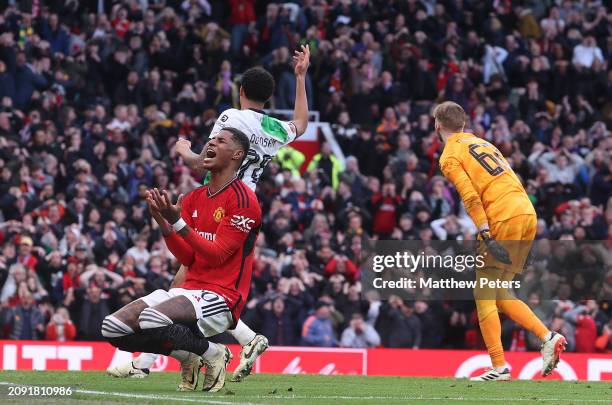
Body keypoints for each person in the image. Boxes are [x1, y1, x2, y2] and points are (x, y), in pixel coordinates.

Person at [119, 45, 311, 384]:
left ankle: (152, 361)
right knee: (199, 284)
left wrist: (182, 149)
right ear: (267, 98)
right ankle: (245, 341)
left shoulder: (230, 118)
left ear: (240, 92)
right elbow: (301, 123)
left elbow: (202, 162)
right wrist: (300, 78)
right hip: (246, 207)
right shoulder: (273, 128)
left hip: (220, 204)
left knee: (190, 281)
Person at [102, 127, 261, 392]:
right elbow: (189, 256)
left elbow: (217, 253)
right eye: (210, 139)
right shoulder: (194, 197)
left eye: (220, 141)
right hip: (189, 291)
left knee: (152, 319)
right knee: (113, 328)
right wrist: (163, 223)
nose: (210, 142)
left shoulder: (244, 200)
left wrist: (176, 221)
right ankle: (188, 355)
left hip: (222, 296)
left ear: (237, 154)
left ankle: (213, 353)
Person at [435, 101, 566, 381]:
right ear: (462, 124)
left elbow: (469, 195)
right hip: (525, 211)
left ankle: (499, 366)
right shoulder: (483, 143)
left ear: (437, 125)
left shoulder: (449, 154)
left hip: (502, 216)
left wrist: (484, 230)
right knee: (500, 292)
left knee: (483, 294)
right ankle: (548, 336)